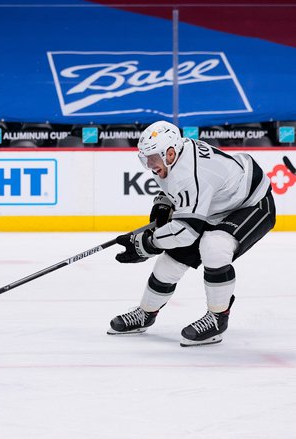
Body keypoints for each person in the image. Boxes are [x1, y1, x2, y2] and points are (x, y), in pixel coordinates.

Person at [108, 121, 275, 346]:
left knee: (214, 246)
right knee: (170, 263)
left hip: (252, 203)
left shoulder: (191, 172)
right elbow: (177, 193)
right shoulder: (171, 158)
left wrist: (147, 244)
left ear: (169, 152)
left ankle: (217, 319)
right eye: (144, 157)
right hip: (216, 207)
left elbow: (186, 231)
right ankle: (145, 313)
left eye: (152, 158)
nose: (148, 164)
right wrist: (164, 202)